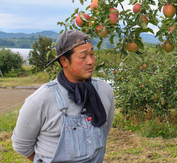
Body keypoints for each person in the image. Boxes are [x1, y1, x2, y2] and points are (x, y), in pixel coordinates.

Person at [12, 30, 114, 163]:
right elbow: (22, 145)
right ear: (64, 61)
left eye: (92, 54)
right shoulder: (41, 99)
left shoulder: (104, 91)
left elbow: (104, 132)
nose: (90, 61)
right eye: (83, 57)